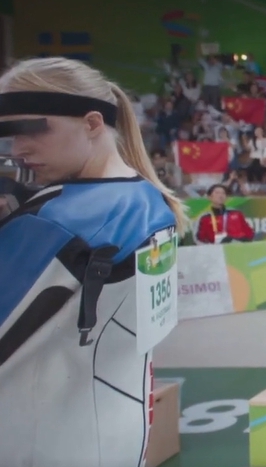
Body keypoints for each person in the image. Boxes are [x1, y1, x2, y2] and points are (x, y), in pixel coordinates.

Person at [0, 57, 189, 466]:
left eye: (33, 129)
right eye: (9, 134)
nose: (17, 149)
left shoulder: (57, 220)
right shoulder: (147, 199)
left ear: (91, 123)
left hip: (37, 439)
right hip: (114, 423)